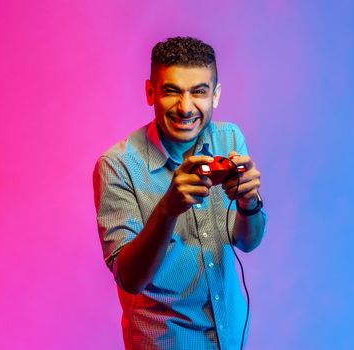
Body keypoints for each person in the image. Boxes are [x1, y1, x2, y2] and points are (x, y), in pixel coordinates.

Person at [93, 36, 267, 350]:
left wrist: (249, 202)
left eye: (198, 91)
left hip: (231, 339)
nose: (185, 107)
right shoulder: (117, 166)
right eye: (172, 91)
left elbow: (247, 241)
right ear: (150, 93)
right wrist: (169, 208)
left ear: (215, 95)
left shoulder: (229, 138)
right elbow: (129, 278)